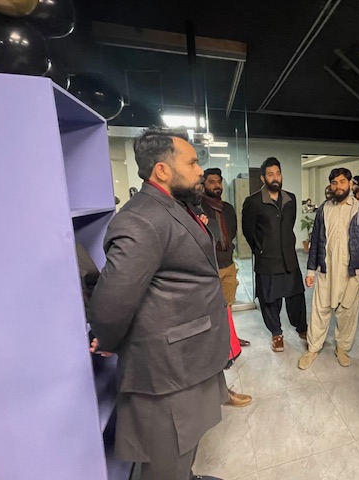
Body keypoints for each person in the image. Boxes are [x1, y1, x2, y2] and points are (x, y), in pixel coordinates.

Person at [88, 128, 230, 480]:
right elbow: (110, 303)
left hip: (189, 358)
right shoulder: (141, 218)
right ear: (162, 170)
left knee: (185, 445)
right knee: (167, 458)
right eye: (192, 162)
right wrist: (110, 339)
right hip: (168, 369)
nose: (200, 170)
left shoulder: (173, 206)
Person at [298, 167, 359, 369]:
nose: (338, 186)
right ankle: (313, 348)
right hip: (326, 271)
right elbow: (315, 241)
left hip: (351, 272)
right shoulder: (324, 209)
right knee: (319, 310)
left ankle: (342, 348)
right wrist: (310, 271)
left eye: (342, 182)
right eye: (334, 182)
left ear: (350, 183)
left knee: (347, 313)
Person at [195, 167, 253, 408]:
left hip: (228, 264)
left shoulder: (227, 209)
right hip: (210, 268)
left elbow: (233, 232)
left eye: (219, 181)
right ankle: (222, 346)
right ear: (204, 184)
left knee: (227, 306)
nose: (217, 185)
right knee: (213, 313)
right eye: (212, 181)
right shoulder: (197, 208)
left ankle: (231, 339)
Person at [242, 157, 308, 352]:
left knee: (296, 296)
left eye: (278, 173)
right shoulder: (253, 202)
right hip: (267, 261)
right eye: (270, 174)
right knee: (270, 299)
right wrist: (261, 249)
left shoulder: (290, 199)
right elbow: (248, 231)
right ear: (263, 178)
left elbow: (289, 226)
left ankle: (302, 328)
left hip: (289, 259)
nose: (275, 177)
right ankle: (276, 334)